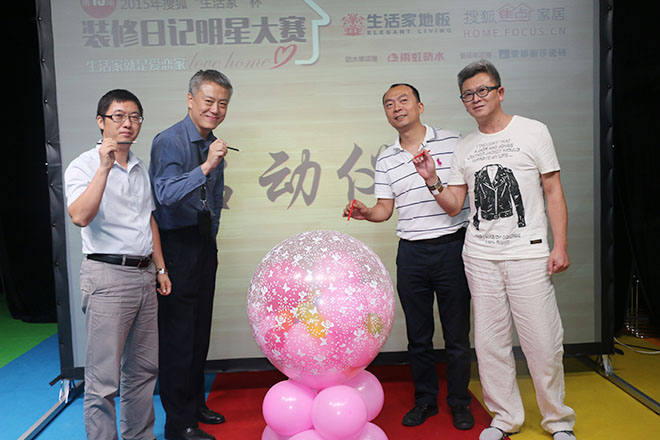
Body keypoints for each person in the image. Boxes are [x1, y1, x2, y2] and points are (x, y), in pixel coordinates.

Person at [412, 59, 577, 440]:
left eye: (483, 90)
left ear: (500, 92)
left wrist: (561, 245)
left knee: (543, 344)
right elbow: (454, 204)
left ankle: (558, 421)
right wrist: (432, 180)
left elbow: (553, 190)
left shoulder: (533, 131)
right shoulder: (465, 146)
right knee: (490, 345)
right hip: (480, 258)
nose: (476, 98)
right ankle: (504, 418)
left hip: (528, 254)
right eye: (468, 94)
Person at [342, 83, 474, 430]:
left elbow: (458, 202)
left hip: (452, 247)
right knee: (418, 336)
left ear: (420, 106)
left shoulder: (452, 141)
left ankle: (460, 402)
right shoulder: (387, 158)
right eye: (389, 104)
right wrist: (365, 212)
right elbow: (384, 210)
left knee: (457, 335)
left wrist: (433, 179)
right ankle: (426, 401)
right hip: (412, 252)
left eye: (403, 100)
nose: (397, 107)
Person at [64, 89, 172, 440]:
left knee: (143, 371)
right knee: (103, 379)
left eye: (135, 117)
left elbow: (148, 220)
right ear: (101, 121)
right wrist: (104, 167)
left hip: (144, 276)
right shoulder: (83, 165)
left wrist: (160, 268)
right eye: (119, 116)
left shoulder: (139, 168)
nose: (128, 123)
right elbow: (80, 216)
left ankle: (140, 436)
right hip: (107, 276)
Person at [149, 70, 233, 440]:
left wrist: (210, 243)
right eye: (208, 101)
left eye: (222, 104)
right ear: (190, 100)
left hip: (201, 243)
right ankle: (178, 424)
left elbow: (214, 202)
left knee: (199, 332)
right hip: (175, 244)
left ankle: (195, 404)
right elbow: (165, 195)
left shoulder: (214, 144)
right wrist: (207, 166)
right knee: (179, 337)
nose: (215, 110)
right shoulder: (168, 141)